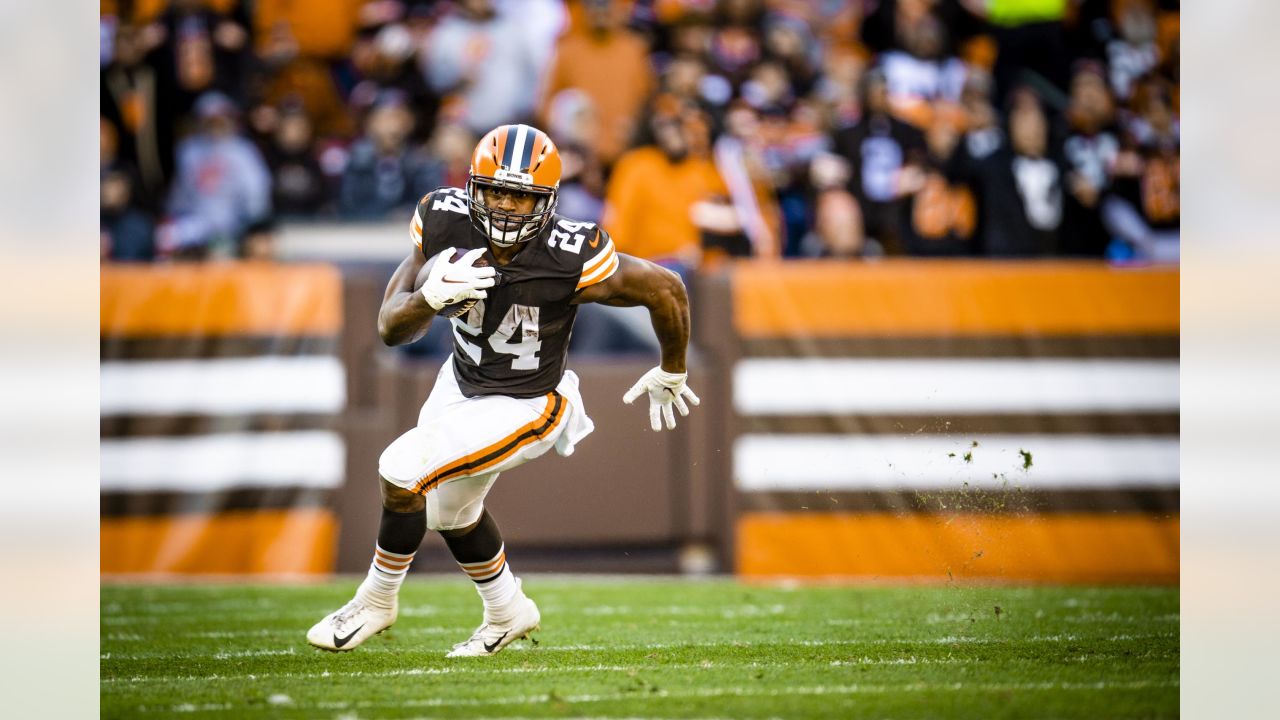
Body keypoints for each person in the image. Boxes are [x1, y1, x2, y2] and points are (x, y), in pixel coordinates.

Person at [306, 124, 700, 657]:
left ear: (548, 202)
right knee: (450, 514)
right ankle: (508, 610)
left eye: (522, 195)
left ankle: (376, 600)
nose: (508, 207)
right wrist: (430, 299)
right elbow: (390, 328)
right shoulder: (444, 222)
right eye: (496, 191)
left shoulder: (571, 253)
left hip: (531, 400)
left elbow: (666, 287)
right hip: (462, 381)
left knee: (401, 468)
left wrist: (672, 368)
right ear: (473, 187)